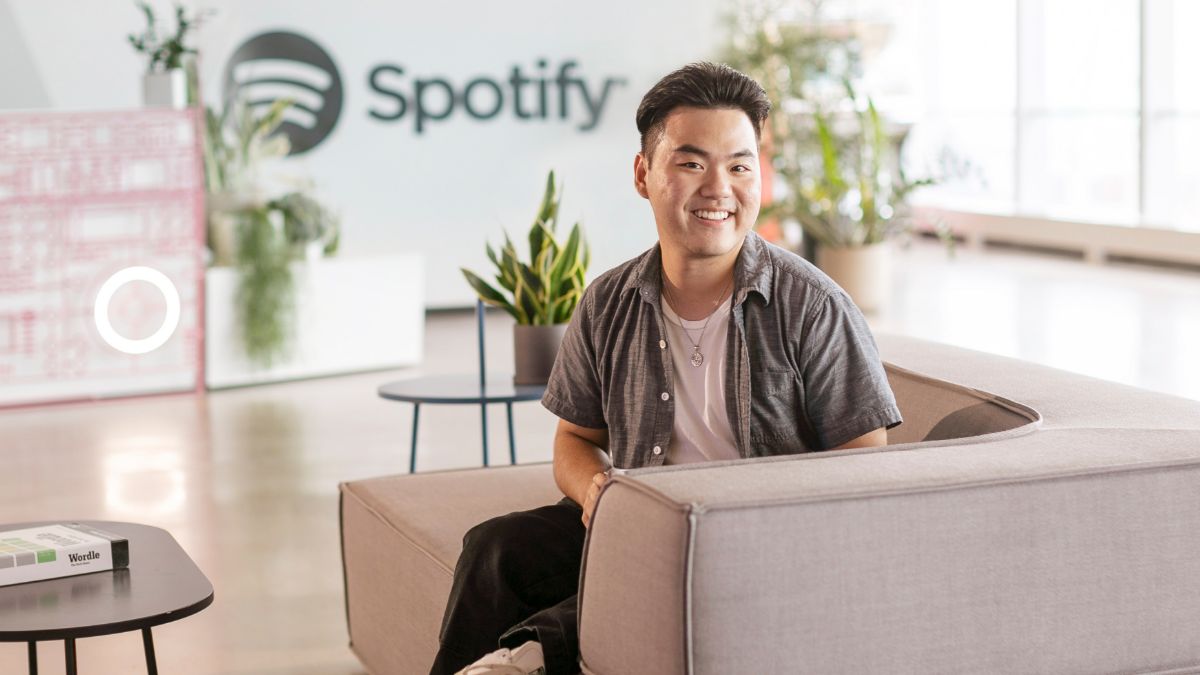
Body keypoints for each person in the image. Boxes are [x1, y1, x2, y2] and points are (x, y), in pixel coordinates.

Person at [431, 62, 903, 675]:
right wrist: (596, 491)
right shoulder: (608, 302)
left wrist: (758, 520)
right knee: (495, 549)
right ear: (643, 174)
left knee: (655, 577)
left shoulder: (812, 305)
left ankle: (525, 656)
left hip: (762, 542)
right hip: (641, 521)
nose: (719, 188)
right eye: (691, 163)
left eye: (739, 165)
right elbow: (574, 440)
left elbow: (868, 460)